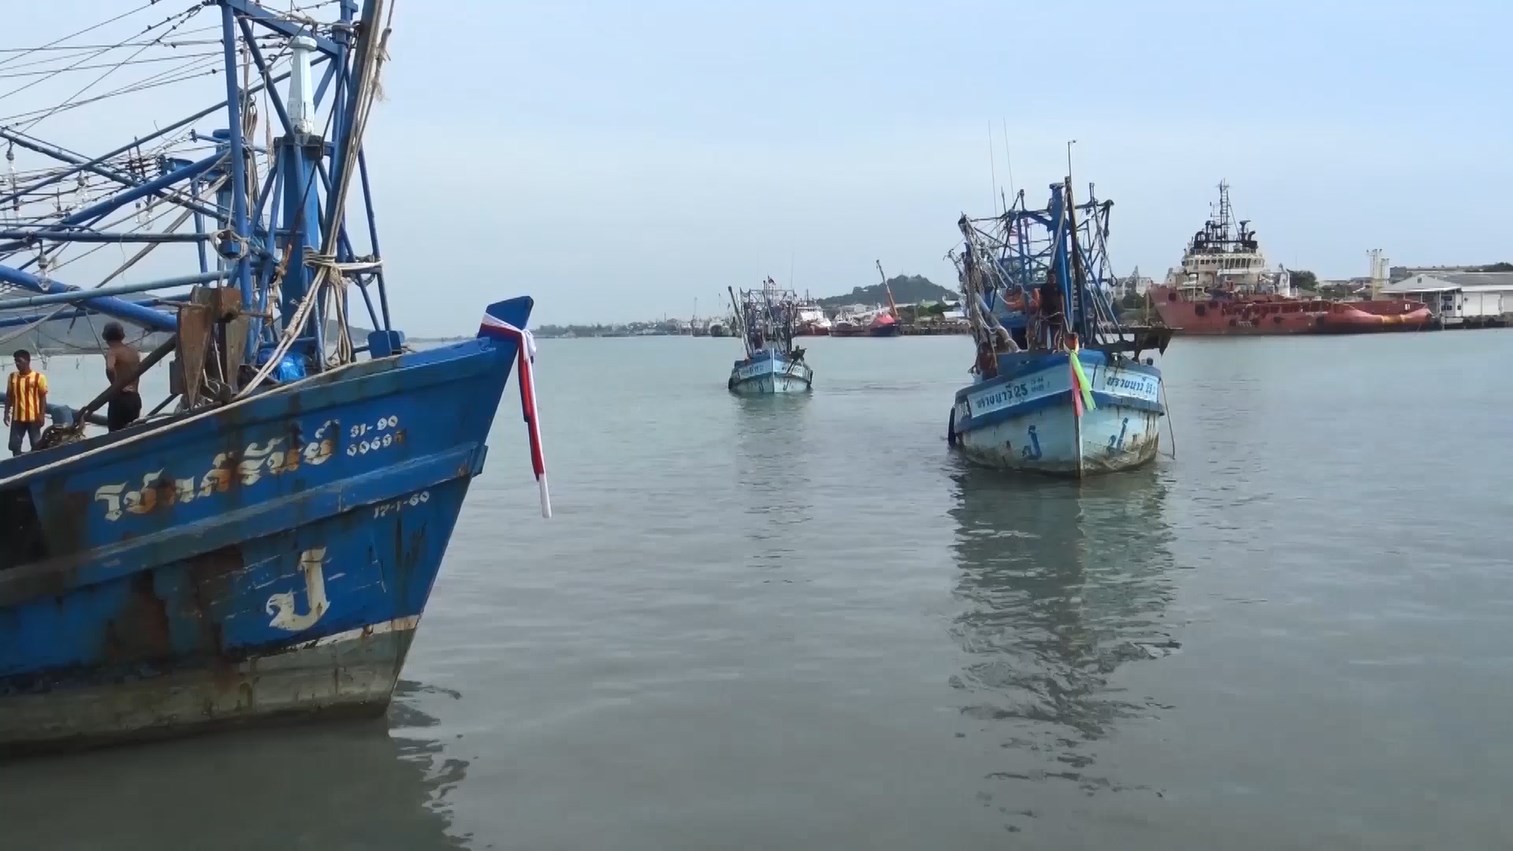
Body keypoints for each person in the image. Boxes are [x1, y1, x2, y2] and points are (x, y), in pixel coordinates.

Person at [102, 322, 143, 432]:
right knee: (132, 431)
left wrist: (116, 385)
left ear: (105, 337)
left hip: (120, 398)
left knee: (115, 433)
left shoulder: (112, 351)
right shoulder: (133, 351)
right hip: (134, 398)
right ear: (122, 336)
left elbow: (110, 368)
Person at [5, 350, 47, 455]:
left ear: (27, 361)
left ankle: (37, 462)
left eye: (19, 361)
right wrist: (6, 413)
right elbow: (9, 396)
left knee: (36, 444)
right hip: (17, 417)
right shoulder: (12, 377)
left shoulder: (39, 377)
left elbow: (42, 397)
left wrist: (42, 415)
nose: (17, 364)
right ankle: (17, 461)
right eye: (15, 361)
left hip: (33, 417)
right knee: (14, 444)